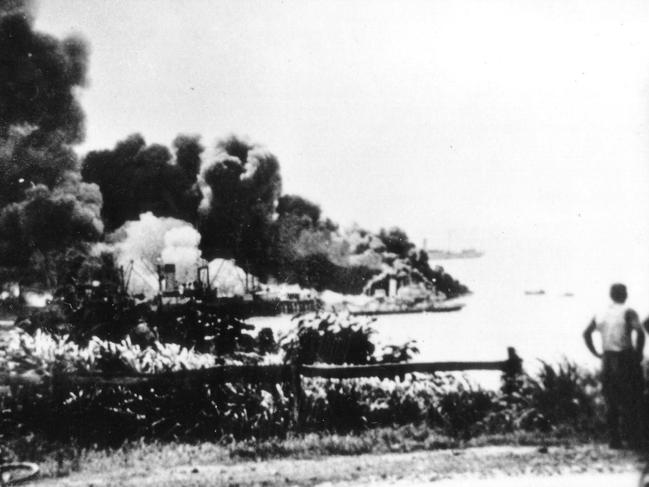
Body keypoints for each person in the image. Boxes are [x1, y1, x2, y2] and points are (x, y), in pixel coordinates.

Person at [583, 283, 645, 449]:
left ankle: (615, 439)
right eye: (625, 291)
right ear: (623, 294)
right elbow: (640, 332)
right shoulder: (628, 312)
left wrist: (596, 353)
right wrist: (638, 354)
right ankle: (634, 438)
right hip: (625, 358)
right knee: (632, 398)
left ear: (611, 295)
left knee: (611, 399)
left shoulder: (600, 313)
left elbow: (586, 333)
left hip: (607, 359)